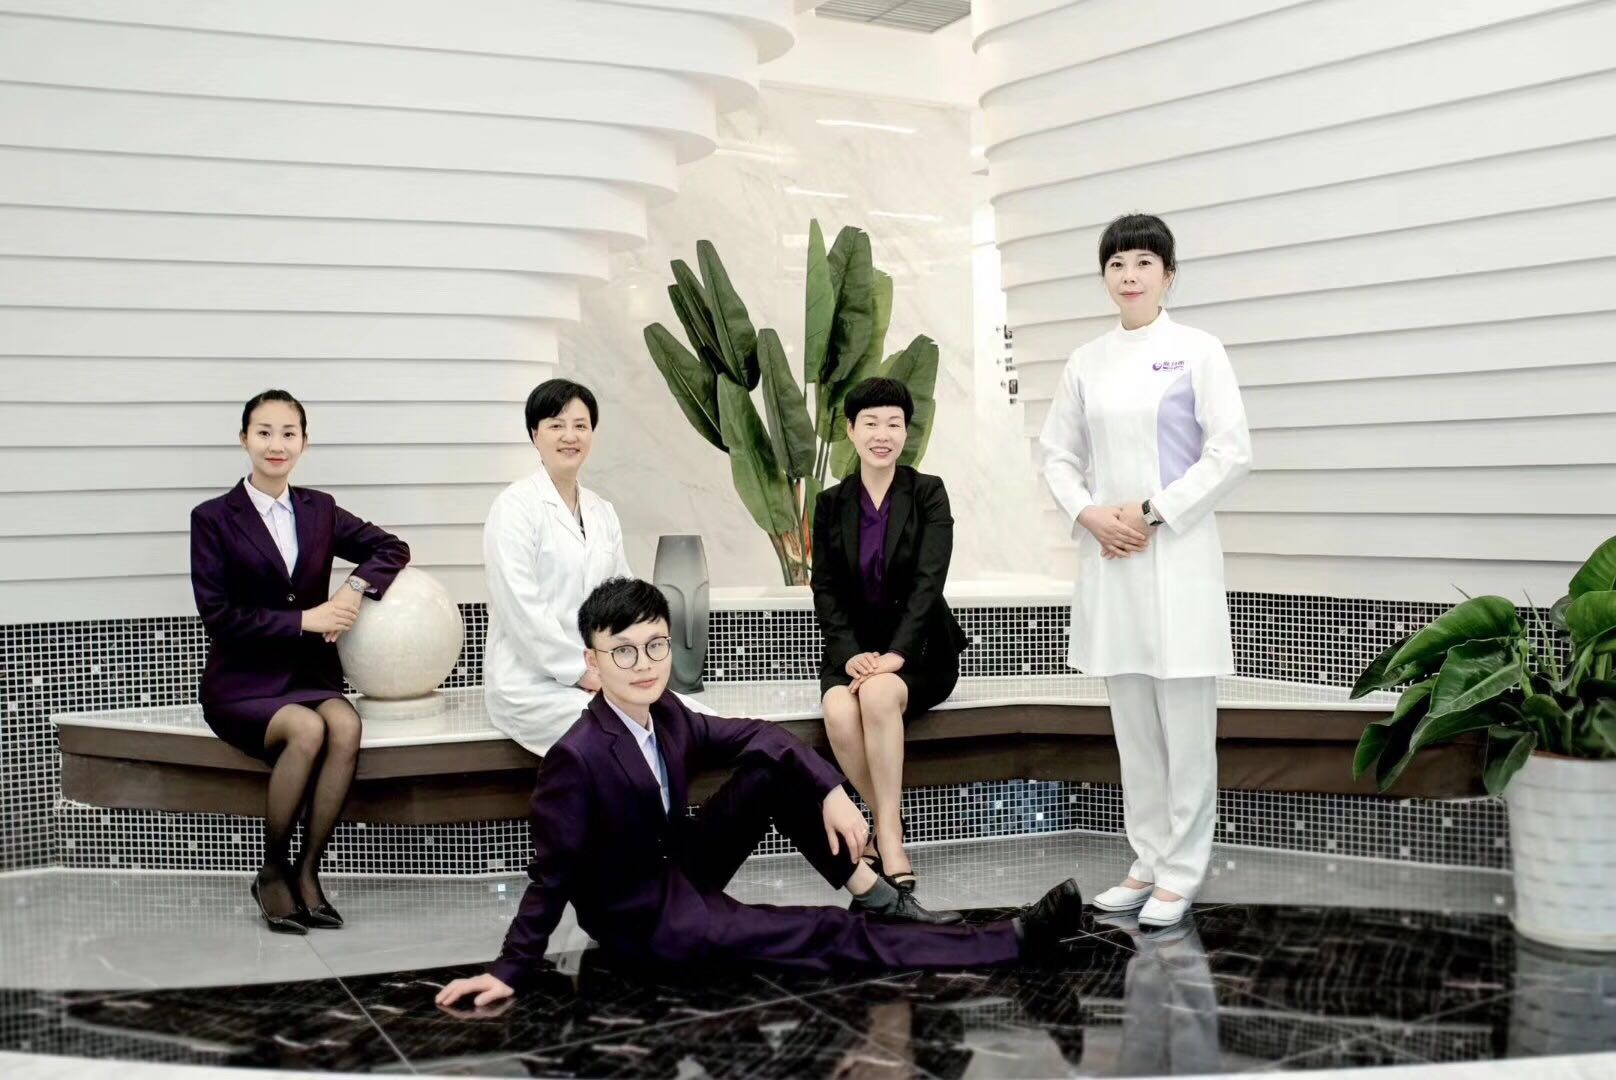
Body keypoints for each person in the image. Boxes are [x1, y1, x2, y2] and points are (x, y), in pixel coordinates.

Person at [435, 577, 1086, 1008]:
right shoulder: (576, 758)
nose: (645, 663)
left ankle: (875, 894)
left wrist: (830, 791)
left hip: (680, 868)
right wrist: (509, 969)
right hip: (650, 925)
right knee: (825, 933)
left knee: (773, 769)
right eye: (623, 652)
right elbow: (550, 878)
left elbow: (761, 736)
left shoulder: (668, 715)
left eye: (655, 645)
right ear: (592, 662)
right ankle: (1009, 941)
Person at [1038, 213, 1252, 929]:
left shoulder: (1199, 351)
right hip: (1113, 561)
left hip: (1177, 558)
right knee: (1133, 725)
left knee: (1185, 729)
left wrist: (1153, 512)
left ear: (1168, 275)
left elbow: (1231, 452)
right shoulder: (1086, 361)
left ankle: (1183, 869)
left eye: (1143, 263)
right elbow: (1057, 455)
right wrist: (1091, 514)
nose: (1128, 276)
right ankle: (1149, 858)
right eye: (1116, 264)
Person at [189, 389, 410, 933]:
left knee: (345, 723)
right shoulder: (213, 518)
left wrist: (353, 589)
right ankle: (272, 872)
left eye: (289, 433)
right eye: (264, 432)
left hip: (308, 675)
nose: (276, 444)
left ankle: (308, 872)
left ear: (304, 443)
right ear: (244, 439)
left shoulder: (320, 510)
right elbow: (219, 616)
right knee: (308, 729)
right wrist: (305, 619)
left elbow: (391, 548)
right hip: (242, 684)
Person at [482, 378, 709, 755]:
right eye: (556, 425)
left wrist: (630, 665)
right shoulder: (514, 508)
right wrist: (582, 672)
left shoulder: (602, 512)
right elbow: (521, 609)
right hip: (532, 687)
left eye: (580, 425)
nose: (569, 436)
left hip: (603, 677)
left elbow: (623, 602)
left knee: (699, 718)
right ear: (535, 434)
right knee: (628, 736)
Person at [812, 377, 969, 894]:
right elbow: (825, 589)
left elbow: (930, 582)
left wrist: (897, 653)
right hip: (852, 652)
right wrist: (849, 654)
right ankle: (886, 822)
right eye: (871, 423)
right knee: (838, 710)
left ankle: (891, 839)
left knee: (878, 694)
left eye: (894, 424)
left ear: (906, 432)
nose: (883, 434)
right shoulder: (830, 503)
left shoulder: (928, 493)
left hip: (920, 652)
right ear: (850, 430)